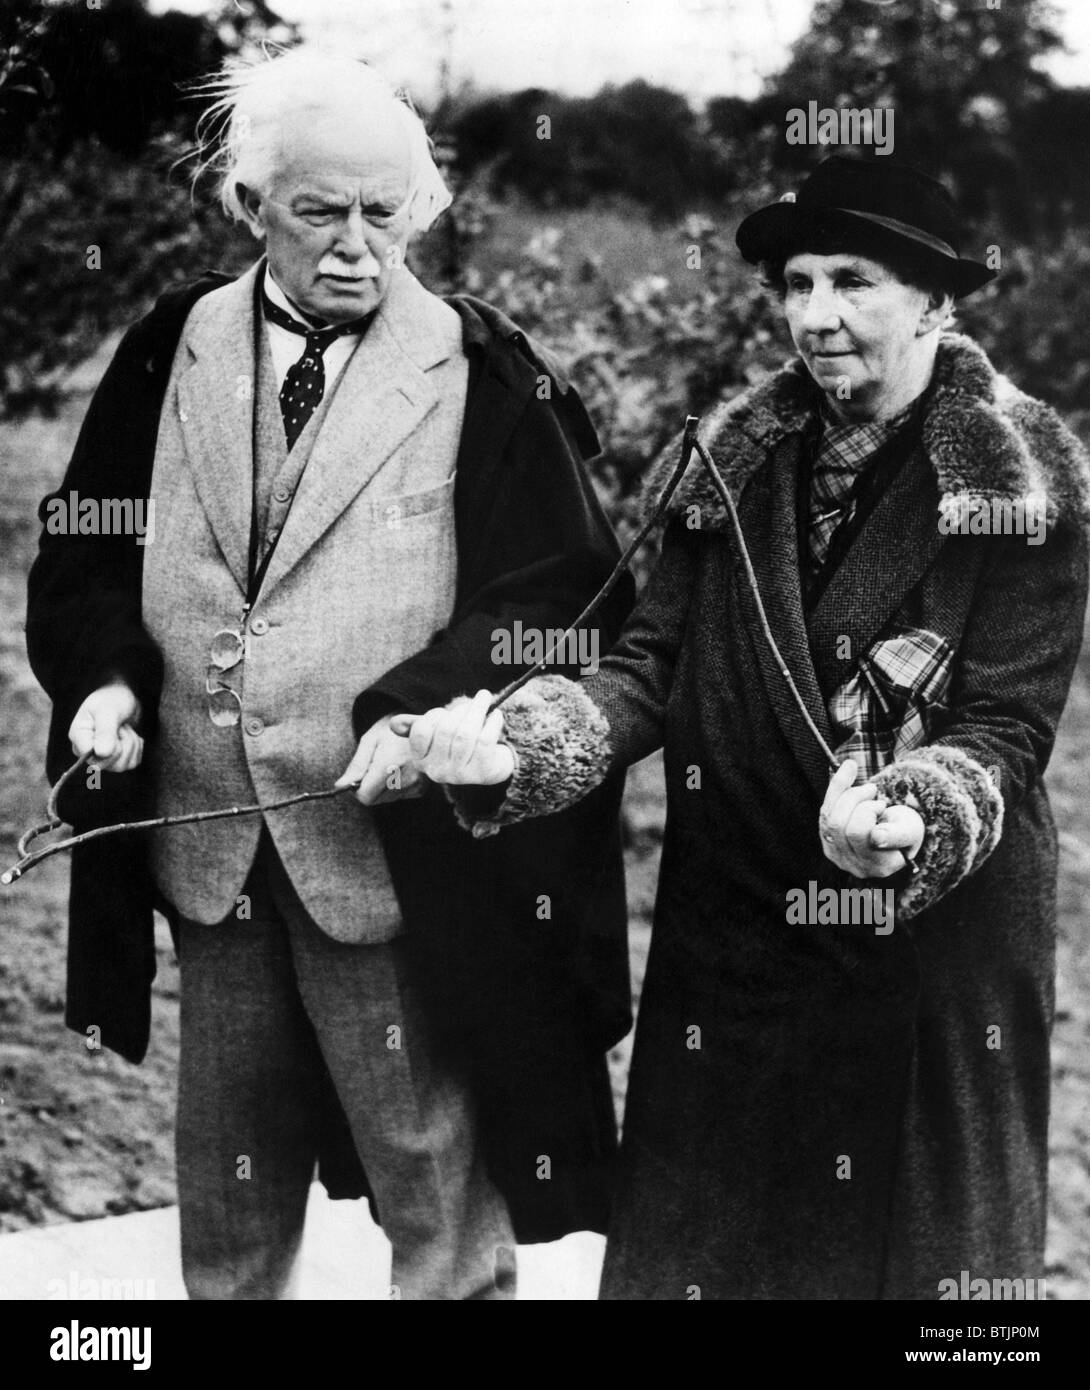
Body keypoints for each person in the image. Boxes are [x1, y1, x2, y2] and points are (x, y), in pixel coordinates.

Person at [406, 156, 1090, 1299]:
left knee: (912, 1267)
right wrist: (521, 746)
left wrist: (907, 818)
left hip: (919, 941)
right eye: (796, 282)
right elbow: (644, 666)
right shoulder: (726, 462)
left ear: (936, 300)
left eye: (853, 282)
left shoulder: (1022, 481)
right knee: (710, 1248)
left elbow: (1006, 730)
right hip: (732, 928)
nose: (814, 316)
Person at [25, 49, 633, 1300]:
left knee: (423, 1149)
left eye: (385, 214)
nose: (358, 246)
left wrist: (427, 708)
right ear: (250, 208)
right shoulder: (167, 348)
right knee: (230, 1159)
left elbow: (566, 596)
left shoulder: (484, 370)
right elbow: (83, 547)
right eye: (320, 213)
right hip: (209, 836)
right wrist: (108, 681)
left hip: (385, 851)